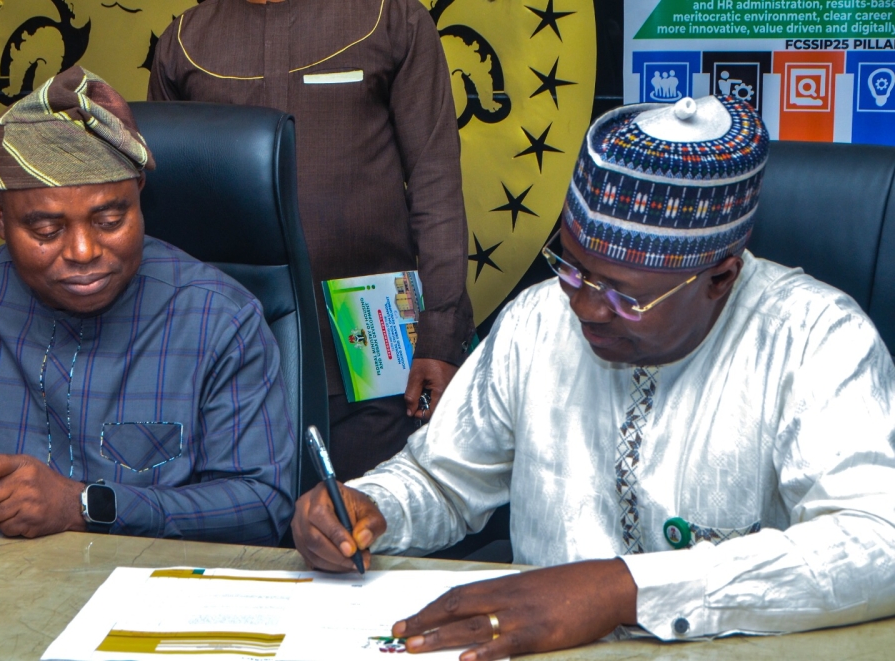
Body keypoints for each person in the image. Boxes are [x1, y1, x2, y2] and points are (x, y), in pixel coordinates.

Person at [290, 96, 895, 659]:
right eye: (573, 270)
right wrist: (372, 507)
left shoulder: (814, 338)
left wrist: (622, 588)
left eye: (625, 298)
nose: (584, 307)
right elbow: (443, 479)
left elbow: (877, 542)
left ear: (721, 278)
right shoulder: (536, 320)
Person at [0, 67, 295, 544]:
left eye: (110, 219)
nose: (83, 251)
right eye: (47, 230)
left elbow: (263, 507)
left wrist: (85, 504)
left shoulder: (218, 318)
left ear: (139, 197)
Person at [147, 0, 474, 480]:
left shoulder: (392, 18)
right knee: (240, 535)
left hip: (373, 354)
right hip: (232, 356)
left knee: (365, 527)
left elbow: (435, 180)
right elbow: (168, 206)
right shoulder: (186, 42)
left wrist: (440, 338)